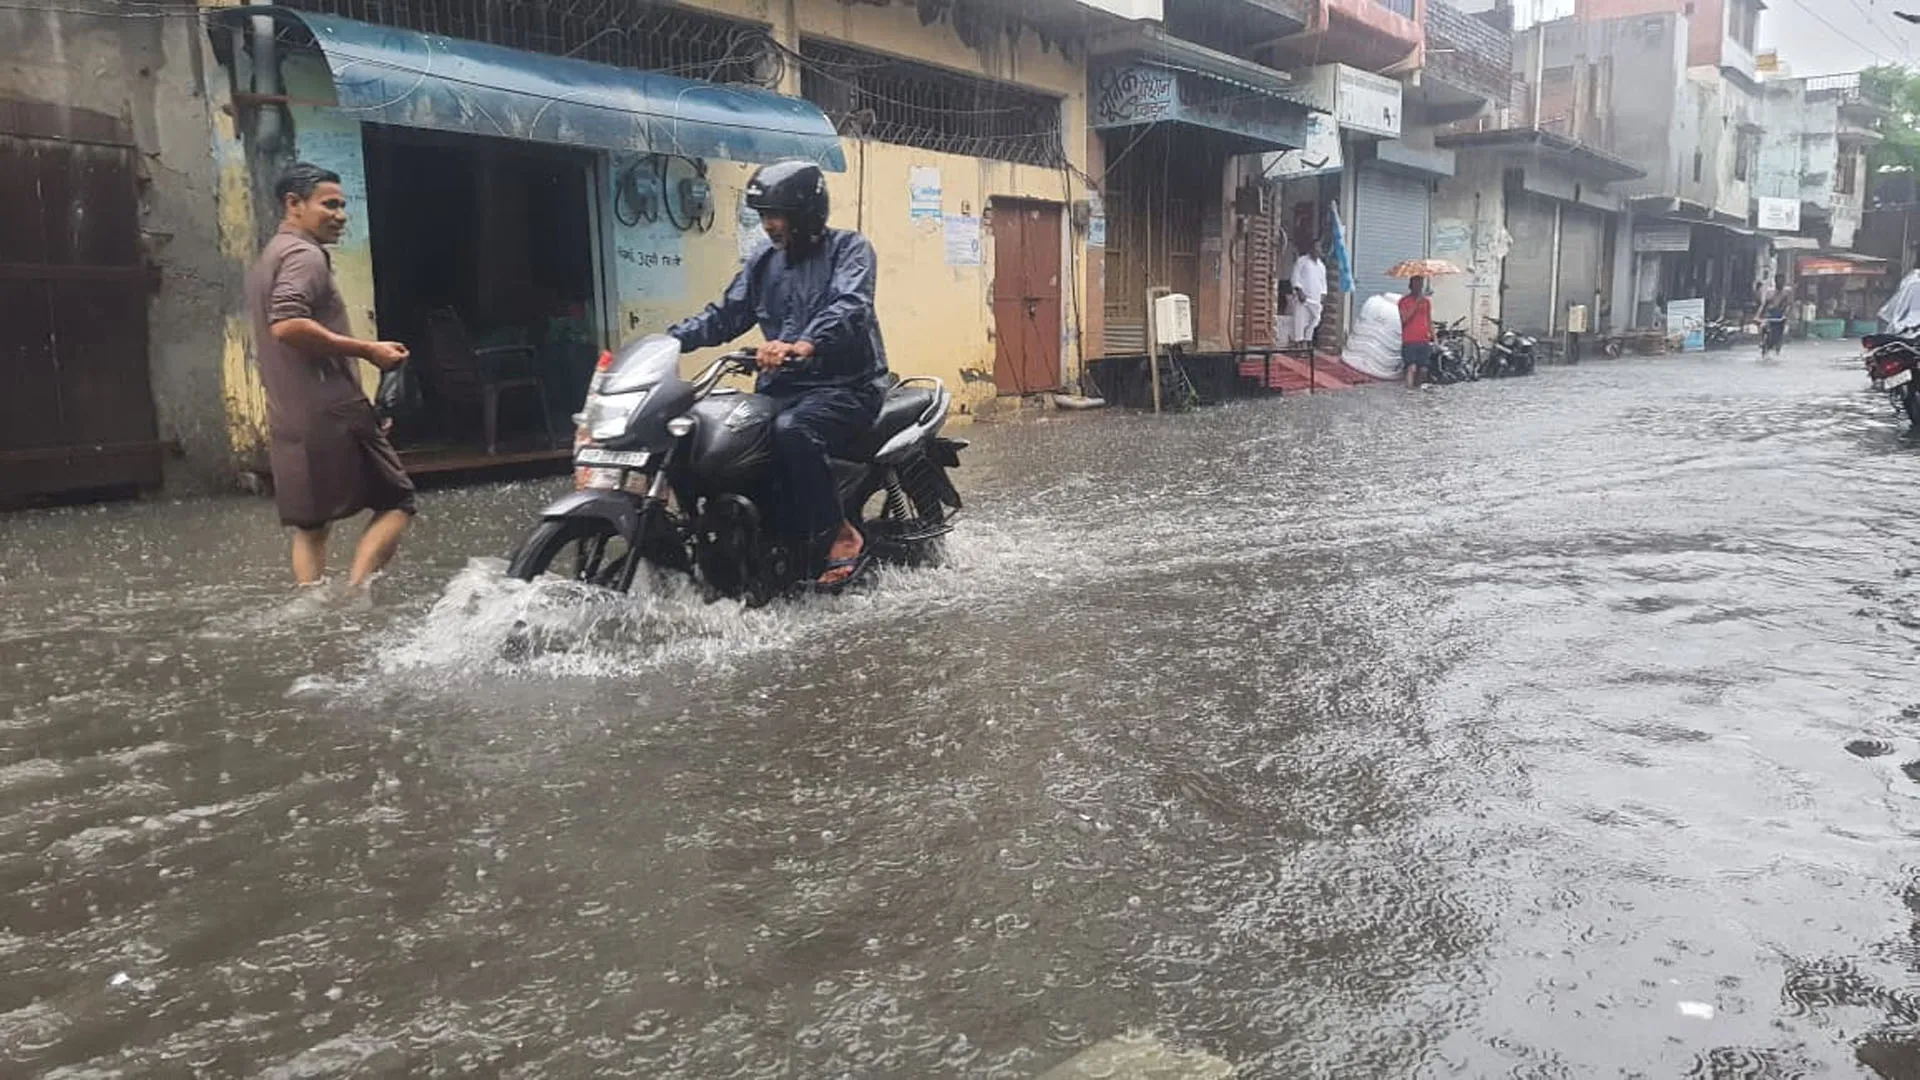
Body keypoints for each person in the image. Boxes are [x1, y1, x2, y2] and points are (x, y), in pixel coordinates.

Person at [667, 160, 887, 587]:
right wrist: (671, 340)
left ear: (805, 213)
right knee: (708, 436)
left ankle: (839, 534)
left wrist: (805, 343)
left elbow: (850, 306)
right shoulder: (764, 262)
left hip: (848, 386)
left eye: (777, 214)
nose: (768, 225)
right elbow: (726, 315)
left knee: (793, 430)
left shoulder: (850, 249)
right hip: (782, 386)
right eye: (764, 215)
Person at [246, 163, 416, 591]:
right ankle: (356, 594)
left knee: (312, 525)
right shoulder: (305, 256)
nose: (340, 216)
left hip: (290, 414)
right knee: (398, 499)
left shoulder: (271, 255)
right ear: (294, 204)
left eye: (342, 206)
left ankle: (315, 607)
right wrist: (368, 350)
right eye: (329, 205)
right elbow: (288, 324)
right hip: (333, 406)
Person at [1291, 239, 1329, 348]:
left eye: (1319, 247)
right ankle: (1299, 344)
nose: (1318, 250)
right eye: (1316, 247)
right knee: (1300, 320)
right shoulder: (1302, 261)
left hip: (1316, 299)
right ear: (1311, 249)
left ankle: (1308, 339)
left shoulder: (1321, 266)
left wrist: (1323, 295)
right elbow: (1295, 277)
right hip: (1303, 298)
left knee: (1315, 320)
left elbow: (1323, 283)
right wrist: (1299, 291)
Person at [1400, 275, 1435, 389]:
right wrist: (1416, 304)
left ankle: (1417, 390)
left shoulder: (1426, 302)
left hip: (1423, 339)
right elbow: (1404, 319)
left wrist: (1434, 338)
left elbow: (1429, 320)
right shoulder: (1404, 301)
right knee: (1412, 368)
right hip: (1410, 340)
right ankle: (1409, 391)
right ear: (1411, 286)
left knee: (1423, 369)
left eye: (1420, 284)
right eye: (1416, 284)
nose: (1419, 287)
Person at [1759, 274, 1793, 357]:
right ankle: (1763, 342)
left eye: (1781, 281)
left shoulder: (1786, 293)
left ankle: (1777, 348)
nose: (1780, 283)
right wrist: (1759, 315)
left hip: (1780, 316)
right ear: (1775, 282)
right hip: (1770, 315)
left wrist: (1785, 315)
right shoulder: (1770, 292)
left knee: (1778, 334)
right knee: (1764, 328)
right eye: (1778, 281)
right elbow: (1765, 304)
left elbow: (1789, 305)